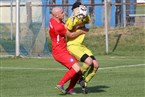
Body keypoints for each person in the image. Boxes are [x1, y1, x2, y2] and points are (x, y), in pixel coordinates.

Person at [48, 7, 87, 95]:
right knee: (76, 68)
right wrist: (82, 31)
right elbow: (71, 35)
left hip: (62, 50)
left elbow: (66, 27)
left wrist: (75, 21)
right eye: (62, 12)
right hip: (60, 52)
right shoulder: (58, 27)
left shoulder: (53, 20)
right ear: (57, 15)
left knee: (79, 70)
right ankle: (60, 84)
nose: (64, 13)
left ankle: (70, 89)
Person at [66, 1, 99, 94]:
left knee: (96, 64)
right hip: (72, 45)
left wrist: (84, 14)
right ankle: (79, 78)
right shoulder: (71, 19)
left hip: (81, 46)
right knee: (88, 61)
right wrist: (75, 18)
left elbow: (88, 20)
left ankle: (84, 82)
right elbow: (69, 31)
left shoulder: (84, 16)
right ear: (74, 10)